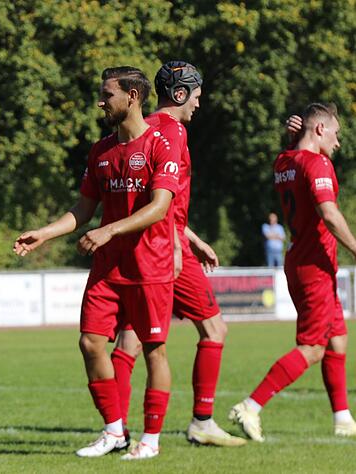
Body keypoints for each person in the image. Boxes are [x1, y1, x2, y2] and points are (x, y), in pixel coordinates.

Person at [14, 66, 180, 460]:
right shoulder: (101, 150)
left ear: (133, 97)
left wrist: (109, 231)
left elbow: (160, 208)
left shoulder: (160, 144)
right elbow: (83, 209)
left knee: (154, 350)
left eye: (108, 95)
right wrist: (46, 233)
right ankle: (113, 432)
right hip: (108, 268)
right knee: (90, 342)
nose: (101, 102)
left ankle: (151, 439)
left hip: (149, 266)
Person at [109, 61, 244, 447]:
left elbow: (159, 198)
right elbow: (162, 204)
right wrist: (179, 243)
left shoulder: (144, 127)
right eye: (197, 97)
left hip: (154, 241)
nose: (199, 105)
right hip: (166, 248)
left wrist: (193, 237)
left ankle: (114, 430)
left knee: (129, 339)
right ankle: (202, 421)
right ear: (181, 94)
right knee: (214, 328)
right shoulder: (174, 131)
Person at [229, 103, 356, 441]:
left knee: (338, 340)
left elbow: (291, 158)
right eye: (335, 133)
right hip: (314, 266)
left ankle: (343, 419)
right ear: (318, 130)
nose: (338, 142)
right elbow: (329, 214)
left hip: (301, 261)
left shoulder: (283, 162)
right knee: (313, 348)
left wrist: (291, 138)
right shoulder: (318, 163)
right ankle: (251, 406)